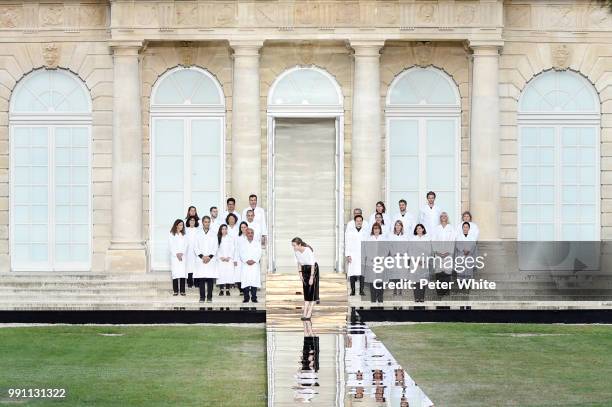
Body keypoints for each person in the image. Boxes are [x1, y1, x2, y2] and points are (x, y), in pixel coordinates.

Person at [292, 237, 319, 320]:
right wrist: (300, 273)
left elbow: (312, 265)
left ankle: (309, 313)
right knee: (306, 290)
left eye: (294, 245)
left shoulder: (308, 250)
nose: (293, 247)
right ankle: (304, 312)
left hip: (312, 270)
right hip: (304, 270)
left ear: (299, 244)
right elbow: (299, 263)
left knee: (312, 291)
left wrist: (311, 277)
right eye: (292, 246)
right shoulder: (296, 252)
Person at [194, 216, 219, 302]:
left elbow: (215, 247)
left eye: (208, 222)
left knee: (210, 279)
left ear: (210, 223)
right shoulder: (198, 233)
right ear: (202, 223)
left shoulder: (214, 233)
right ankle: (202, 297)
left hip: (210, 260)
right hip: (201, 260)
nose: (207, 223)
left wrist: (209, 257)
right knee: (201, 279)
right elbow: (195, 247)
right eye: (205, 222)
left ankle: (209, 297)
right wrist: (202, 257)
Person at [432, 212, 456, 297]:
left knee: (447, 274)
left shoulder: (451, 228)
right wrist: (437, 252)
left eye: (445, 216)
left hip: (448, 255)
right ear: (440, 218)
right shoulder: (436, 228)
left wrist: (448, 252)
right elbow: (433, 240)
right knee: (439, 274)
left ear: (447, 218)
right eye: (442, 216)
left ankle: (446, 294)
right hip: (438, 254)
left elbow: (453, 240)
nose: (443, 217)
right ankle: (439, 294)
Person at [363, 223, 386, 303]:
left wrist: (380, 258)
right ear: (372, 230)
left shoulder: (383, 239)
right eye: (375, 228)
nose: (376, 230)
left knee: (380, 282)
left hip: (381, 263)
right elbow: (367, 250)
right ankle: (373, 299)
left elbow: (386, 251)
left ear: (380, 230)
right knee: (372, 282)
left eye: (377, 228)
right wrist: (372, 258)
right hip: (371, 263)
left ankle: (380, 299)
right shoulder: (369, 239)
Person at [345, 214, 367, 296]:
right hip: (353, 255)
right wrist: (348, 255)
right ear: (355, 222)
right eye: (357, 221)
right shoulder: (350, 232)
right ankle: (353, 291)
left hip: (362, 255)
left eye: (360, 221)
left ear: (362, 222)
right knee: (352, 273)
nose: (359, 222)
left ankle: (361, 290)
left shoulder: (365, 232)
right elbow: (347, 243)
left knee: (362, 273)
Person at [238, 228, 262, 303]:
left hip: (254, 265)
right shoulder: (242, 243)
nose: (250, 234)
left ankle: (254, 298)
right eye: (248, 233)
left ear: (253, 234)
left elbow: (259, 253)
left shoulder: (257, 243)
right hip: (246, 265)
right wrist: (247, 260)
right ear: (246, 234)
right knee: (246, 281)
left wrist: (254, 260)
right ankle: (246, 298)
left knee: (254, 281)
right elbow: (241, 253)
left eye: (252, 233)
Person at [410, 223, 431, 303]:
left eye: (420, 228)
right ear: (416, 230)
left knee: (422, 281)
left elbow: (428, 251)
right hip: (415, 262)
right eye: (417, 228)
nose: (418, 230)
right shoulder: (412, 239)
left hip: (424, 262)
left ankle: (422, 298)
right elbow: (411, 251)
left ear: (423, 229)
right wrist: (417, 260)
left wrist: (423, 260)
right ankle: (416, 298)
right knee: (416, 281)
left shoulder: (426, 239)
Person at [387, 220, 408, 297]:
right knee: (395, 274)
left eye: (399, 225)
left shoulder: (405, 236)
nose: (398, 226)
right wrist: (394, 253)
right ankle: (395, 289)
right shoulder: (391, 236)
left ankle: (400, 290)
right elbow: (389, 246)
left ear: (401, 226)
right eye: (396, 225)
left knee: (401, 275)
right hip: (394, 257)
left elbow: (406, 246)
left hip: (402, 257)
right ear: (394, 226)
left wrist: (402, 253)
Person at [216, 224, 236, 297]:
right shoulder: (218, 238)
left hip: (228, 259)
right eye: (223, 229)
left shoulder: (230, 238)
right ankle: (221, 290)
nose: (224, 230)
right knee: (221, 274)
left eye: (225, 229)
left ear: (227, 230)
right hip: (221, 259)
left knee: (228, 274)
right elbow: (216, 248)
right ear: (220, 230)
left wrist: (229, 257)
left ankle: (227, 290)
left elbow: (232, 248)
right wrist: (221, 257)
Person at [168, 219, 187, 296]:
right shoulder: (171, 234)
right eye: (180, 225)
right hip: (175, 257)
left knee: (182, 273)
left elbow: (186, 245)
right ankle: (175, 290)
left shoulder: (184, 235)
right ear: (176, 225)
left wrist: (181, 253)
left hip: (182, 256)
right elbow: (170, 246)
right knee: (175, 273)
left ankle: (182, 290)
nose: (181, 226)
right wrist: (176, 254)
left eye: (182, 225)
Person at [184, 216, 199, 288]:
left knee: (196, 266)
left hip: (196, 251)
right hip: (188, 251)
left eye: (193, 220)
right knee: (189, 267)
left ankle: (196, 282)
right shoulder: (185, 230)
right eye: (191, 220)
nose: (192, 222)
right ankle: (189, 282)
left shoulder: (198, 230)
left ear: (195, 222)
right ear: (188, 222)